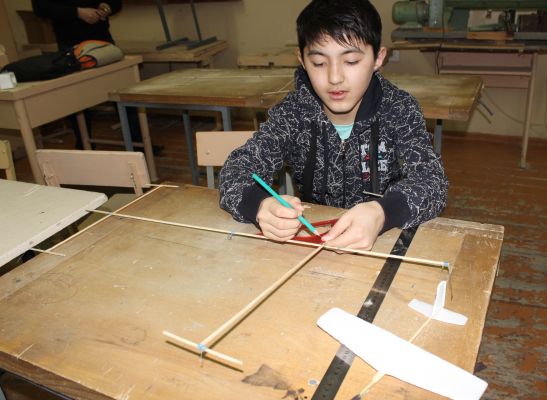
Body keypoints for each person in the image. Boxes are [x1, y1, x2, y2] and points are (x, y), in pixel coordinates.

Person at [219, 0, 448, 250]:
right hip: (316, 240)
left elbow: (432, 181)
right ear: (302, 60)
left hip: (384, 239)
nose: (335, 78)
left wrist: (382, 213)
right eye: (319, 63)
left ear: (378, 58)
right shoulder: (292, 114)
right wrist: (260, 205)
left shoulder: (399, 109)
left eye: (351, 61)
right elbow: (236, 170)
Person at [31, 0, 162, 155]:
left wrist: (106, 8)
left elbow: (115, 2)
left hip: (103, 42)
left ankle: (139, 144)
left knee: (122, 92)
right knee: (77, 100)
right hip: (71, 45)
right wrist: (78, 13)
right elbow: (41, 7)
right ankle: (84, 147)